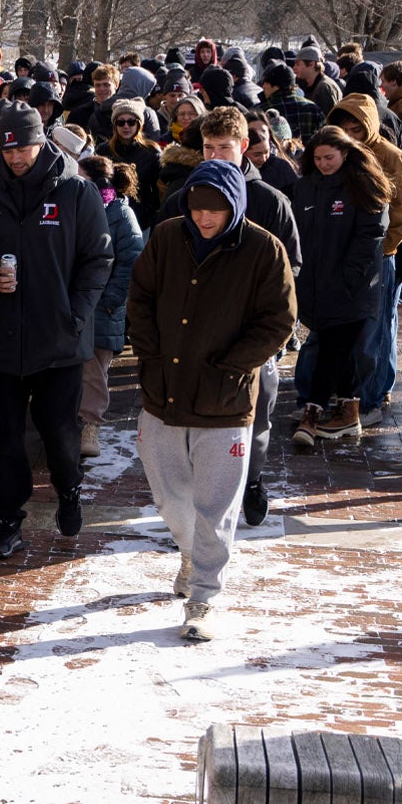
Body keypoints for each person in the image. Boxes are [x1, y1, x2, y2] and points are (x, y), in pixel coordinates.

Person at [127, 159, 295, 642]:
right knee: (169, 496)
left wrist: (232, 367)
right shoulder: (165, 238)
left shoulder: (264, 249)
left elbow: (278, 320)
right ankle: (188, 551)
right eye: (198, 207)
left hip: (224, 402)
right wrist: (150, 356)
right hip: (163, 393)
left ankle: (204, 594)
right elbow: (140, 298)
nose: (205, 217)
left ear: (236, 205)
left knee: (216, 505)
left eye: (216, 209)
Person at [0, 104, 112, 559]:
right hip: (2, 343)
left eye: (23, 148)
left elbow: (98, 260)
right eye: (7, 150)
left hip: (58, 342)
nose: (15, 158)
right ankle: (9, 522)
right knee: (5, 438)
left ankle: (68, 489)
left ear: (41, 142)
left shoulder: (75, 193)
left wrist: (75, 315)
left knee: (59, 433)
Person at [156, 106, 301, 525]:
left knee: (257, 409)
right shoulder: (181, 199)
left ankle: (252, 479)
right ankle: (192, 503)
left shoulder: (269, 200)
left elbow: (291, 268)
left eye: (225, 147)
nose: (217, 155)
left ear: (245, 148)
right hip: (190, 332)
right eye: (208, 148)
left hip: (249, 332)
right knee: (185, 419)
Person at [288, 127, 390, 446]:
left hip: (352, 288)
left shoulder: (362, 185)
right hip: (315, 285)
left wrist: (347, 276)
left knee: (331, 350)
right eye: (317, 158)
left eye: (329, 157)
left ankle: (312, 414)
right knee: (338, 350)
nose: (323, 163)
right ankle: (348, 413)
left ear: (345, 153)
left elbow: (371, 236)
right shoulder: (305, 188)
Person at [323, 94, 402, 426]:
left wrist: (383, 249)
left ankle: (372, 397)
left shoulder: (392, 157)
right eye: (344, 128)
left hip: (380, 258)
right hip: (342, 256)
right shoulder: (338, 154)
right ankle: (346, 392)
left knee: (376, 331)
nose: (351, 134)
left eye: (357, 128)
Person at [80, 155, 143, 460]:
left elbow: (130, 260)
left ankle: (90, 423)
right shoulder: (75, 207)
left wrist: (109, 302)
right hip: (75, 302)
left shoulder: (120, 214)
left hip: (103, 307)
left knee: (94, 370)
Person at [98, 98, 162, 231]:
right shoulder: (102, 150)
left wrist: (147, 214)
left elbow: (157, 191)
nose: (126, 126)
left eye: (131, 122)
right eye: (121, 122)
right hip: (108, 220)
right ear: (115, 125)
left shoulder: (151, 152)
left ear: (139, 124)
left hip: (141, 222)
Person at [259, 63, 323, 143]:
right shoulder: (313, 108)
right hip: (310, 154)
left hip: (276, 154)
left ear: (276, 87)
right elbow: (323, 137)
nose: (263, 87)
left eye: (266, 83)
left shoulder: (264, 111)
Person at [291, 46, 340, 116]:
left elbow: (330, 119)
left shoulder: (324, 87)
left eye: (298, 64)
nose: (294, 68)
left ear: (312, 64)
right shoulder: (307, 84)